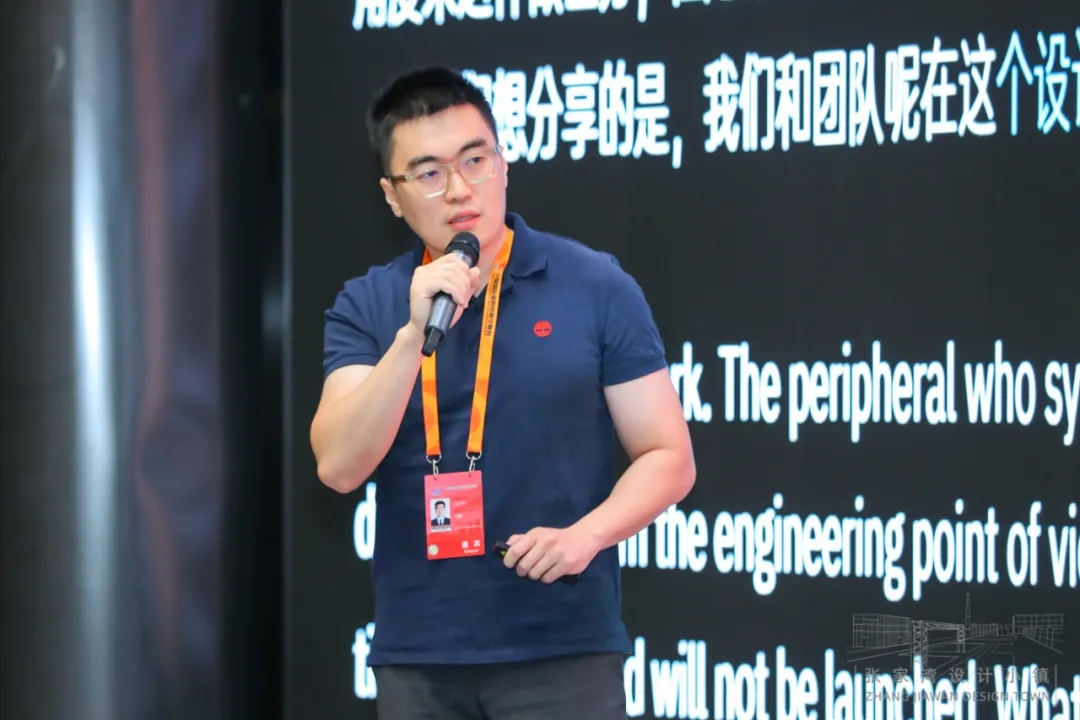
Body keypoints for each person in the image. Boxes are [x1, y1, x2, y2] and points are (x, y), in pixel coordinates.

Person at [309, 65, 696, 719]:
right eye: (428, 173)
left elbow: (669, 456)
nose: (460, 189)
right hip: (420, 658)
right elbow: (339, 466)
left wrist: (587, 536)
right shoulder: (370, 304)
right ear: (392, 196)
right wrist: (412, 336)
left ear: (503, 163)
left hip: (562, 648)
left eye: (475, 159)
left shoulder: (595, 285)